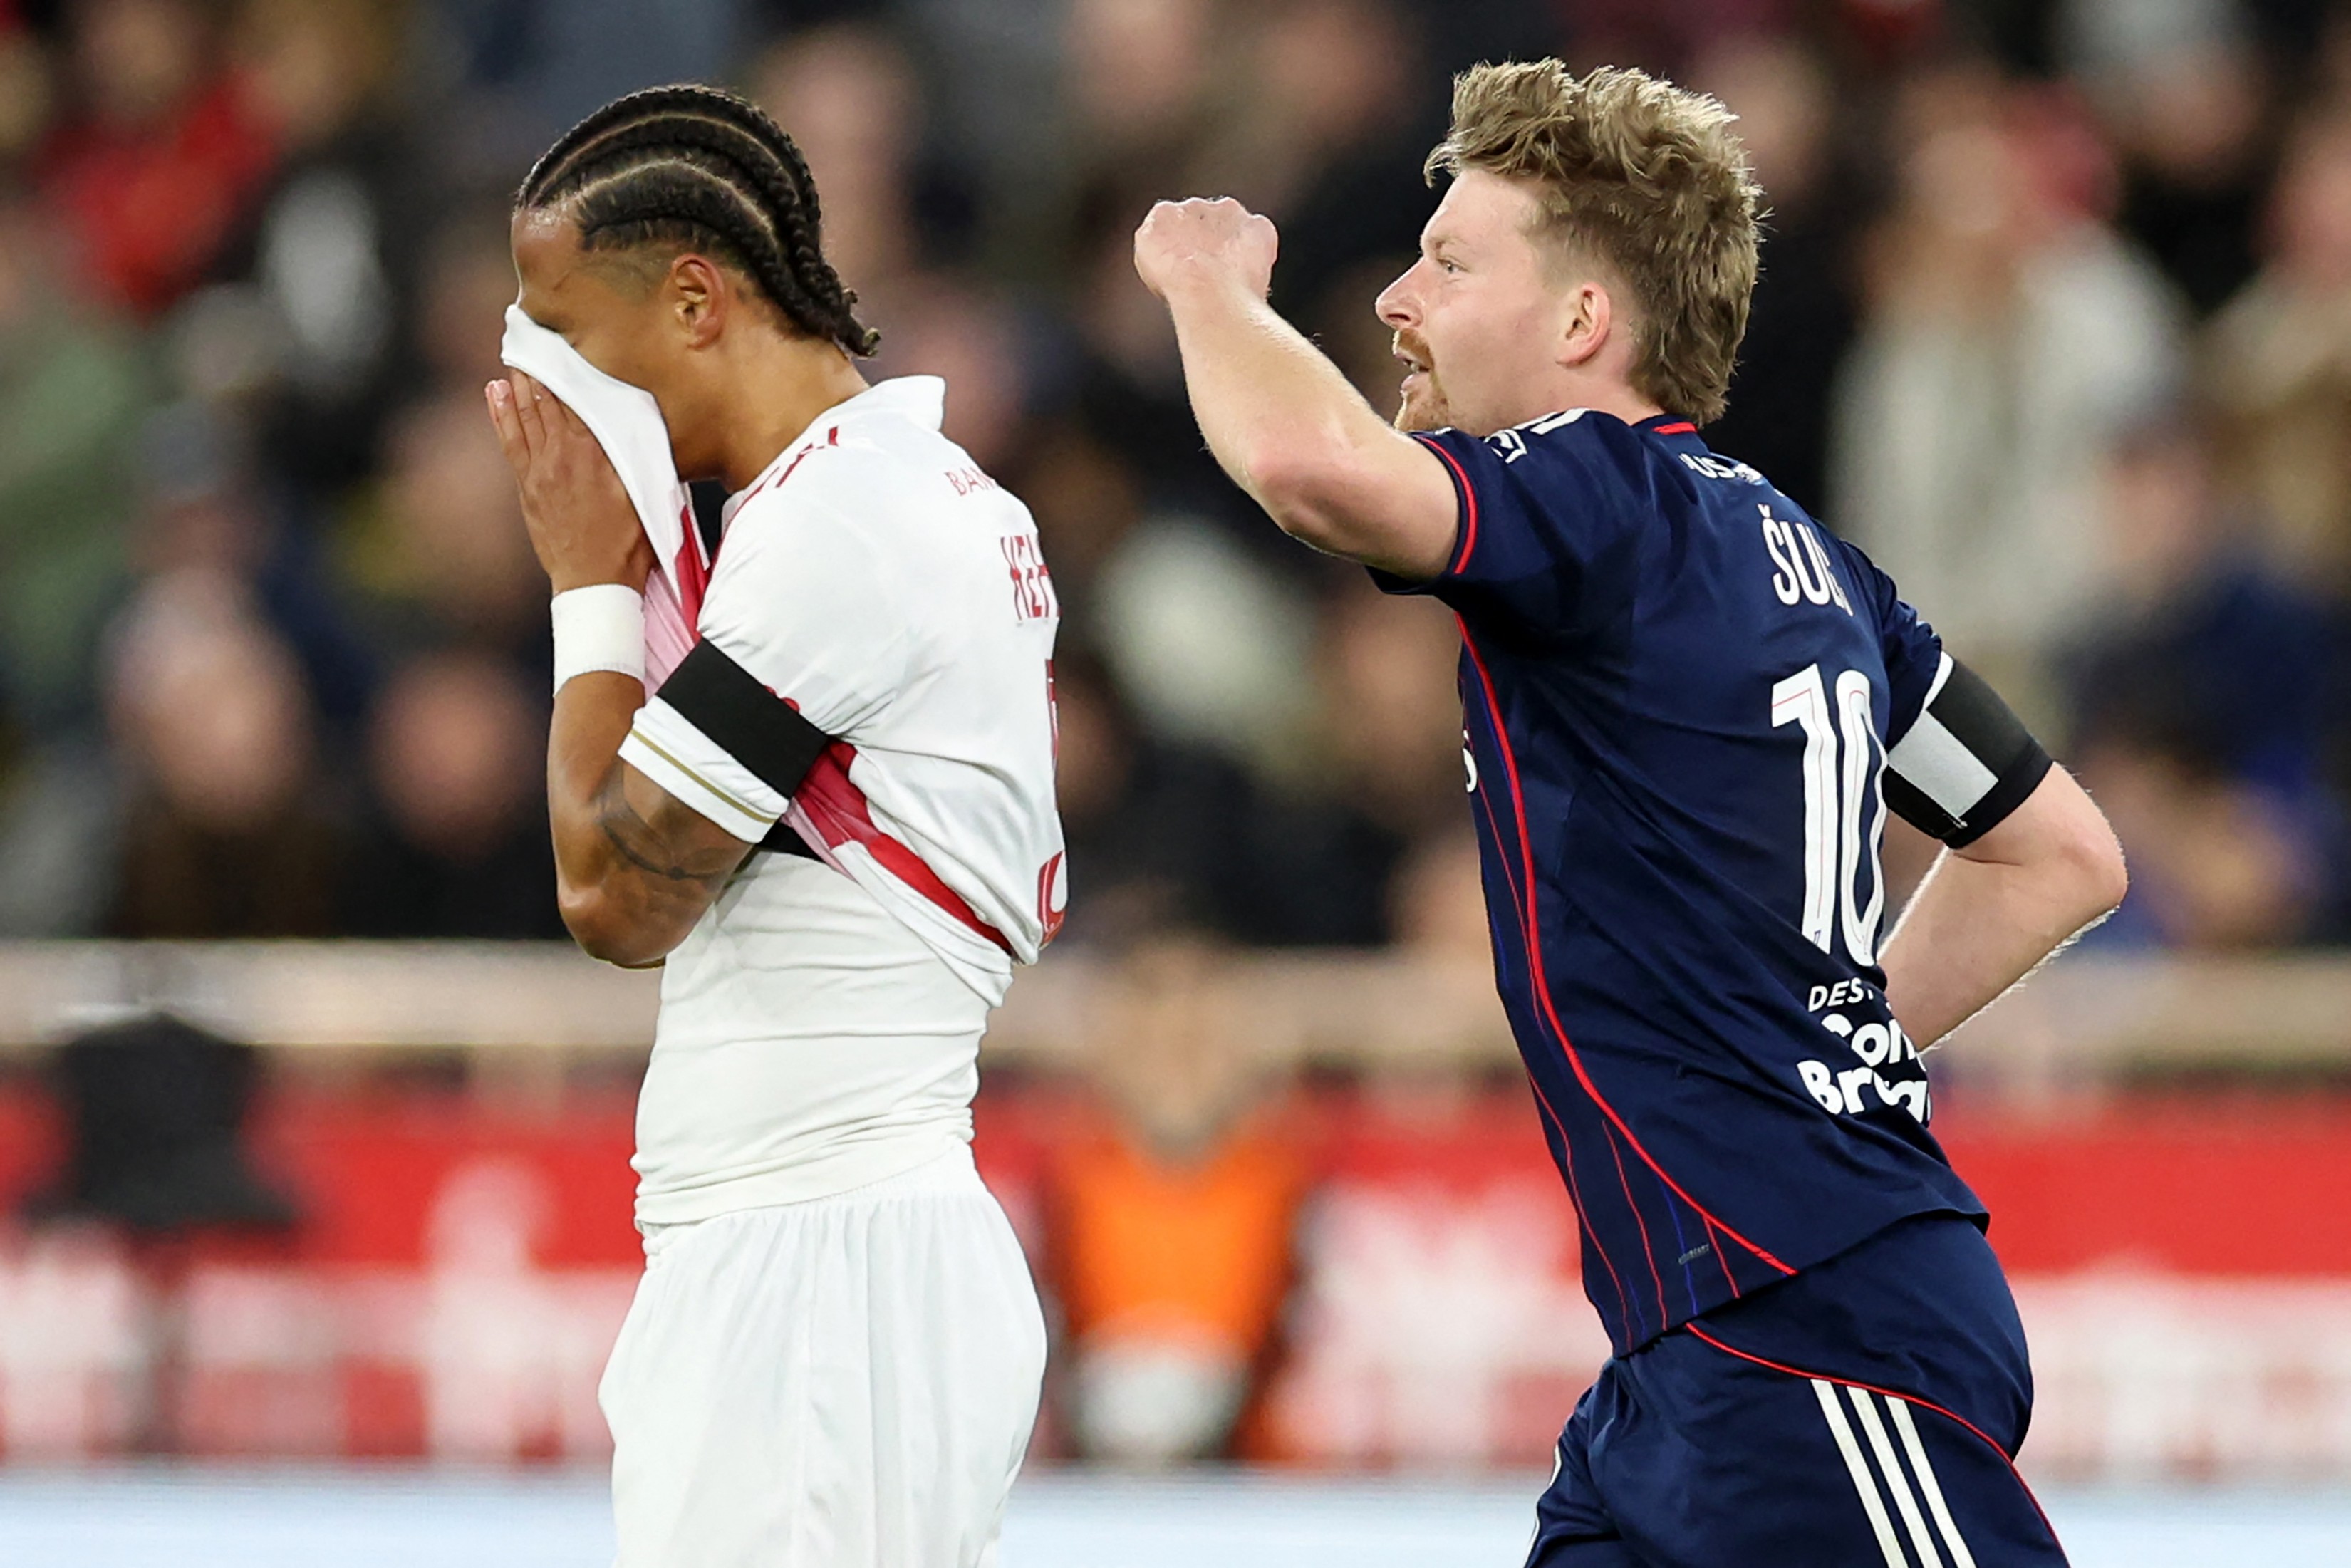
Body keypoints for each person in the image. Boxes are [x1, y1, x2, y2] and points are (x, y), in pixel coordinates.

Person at [1135, 60, 2127, 1567]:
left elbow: (1307, 468)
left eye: (1452, 262)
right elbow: (2056, 851)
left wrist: (1208, 286)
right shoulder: (1815, 564)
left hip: (1811, 1320)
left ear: (1586, 324)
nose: (1399, 298)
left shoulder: (1597, 496)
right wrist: (1826, 1052)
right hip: (1696, 1346)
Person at [482, 85, 1059, 1568]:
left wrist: (585, 585)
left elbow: (615, 897)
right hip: (818, 1258)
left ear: (694, 300)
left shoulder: (844, 529)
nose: (539, 380)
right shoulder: (866, 495)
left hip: (827, 1276)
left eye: (561, 331)